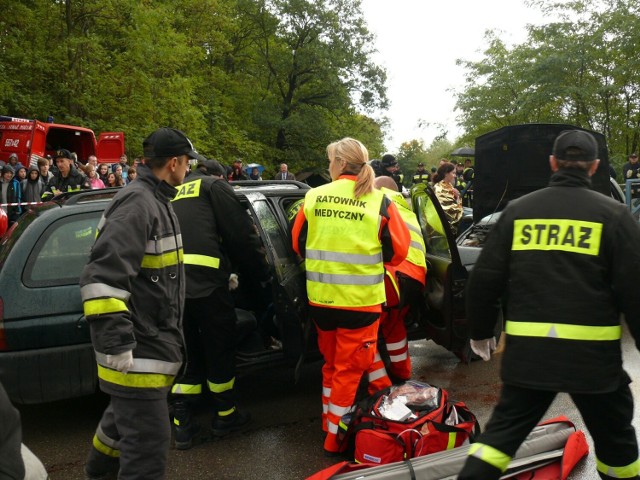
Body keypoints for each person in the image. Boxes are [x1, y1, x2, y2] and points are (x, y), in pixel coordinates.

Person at [458, 130, 640, 480]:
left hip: (530, 357)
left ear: (553, 163)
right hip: (593, 361)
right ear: (595, 167)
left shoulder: (518, 211)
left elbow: (484, 279)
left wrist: (480, 332)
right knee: (616, 442)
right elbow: (634, 291)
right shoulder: (614, 216)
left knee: (498, 440)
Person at [80, 127, 202, 480]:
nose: (190, 169)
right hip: (138, 356)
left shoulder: (156, 200)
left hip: (148, 350)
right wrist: (117, 343)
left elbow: (155, 276)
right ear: (175, 162)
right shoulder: (140, 202)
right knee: (147, 451)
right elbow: (101, 277)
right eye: (188, 163)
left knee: (116, 432)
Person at [291, 137, 410, 456]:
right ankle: (334, 439)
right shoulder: (381, 201)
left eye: (330, 160)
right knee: (347, 371)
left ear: (341, 163)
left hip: (322, 301)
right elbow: (399, 250)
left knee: (332, 366)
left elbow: (297, 243)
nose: (328, 166)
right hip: (361, 304)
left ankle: (328, 424)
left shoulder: (314, 196)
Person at [170, 158, 272, 450]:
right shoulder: (214, 187)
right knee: (219, 349)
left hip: (170, 289)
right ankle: (226, 416)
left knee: (189, 354)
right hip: (207, 287)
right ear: (220, 175)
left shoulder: (169, 190)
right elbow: (242, 238)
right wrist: (262, 275)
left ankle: (183, 421)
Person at [374, 175, 427, 381]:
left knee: (367, 331)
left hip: (390, 276)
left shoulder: (377, 203)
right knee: (395, 325)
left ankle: (379, 383)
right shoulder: (407, 208)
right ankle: (402, 374)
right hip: (414, 278)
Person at [432, 162, 463, 235]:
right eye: (453, 173)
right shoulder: (440, 188)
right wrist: (458, 197)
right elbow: (450, 211)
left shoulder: (447, 185)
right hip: (445, 224)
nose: (455, 176)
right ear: (446, 173)